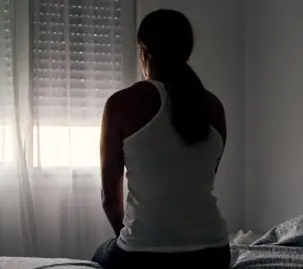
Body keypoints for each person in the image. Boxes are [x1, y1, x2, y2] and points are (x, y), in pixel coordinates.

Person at [91, 9, 230, 269]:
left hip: (142, 256)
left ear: (143, 51)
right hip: (214, 254)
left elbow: (109, 198)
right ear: (186, 51)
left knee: (101, 253)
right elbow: (202, 179)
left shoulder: (121, 104)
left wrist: (133, 239)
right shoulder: (214, 106)